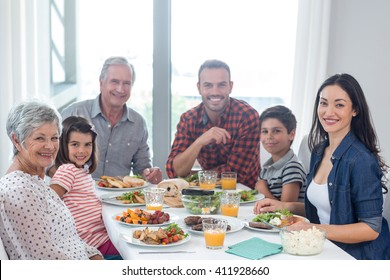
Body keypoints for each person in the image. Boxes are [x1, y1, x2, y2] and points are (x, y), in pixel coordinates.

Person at [254, 73, 390, 260]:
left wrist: (314, 228)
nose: (328, 112)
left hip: (355, 257)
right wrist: (282, 206)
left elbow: (371, 228)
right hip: (323, 248)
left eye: (339, 105)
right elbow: (325, 207)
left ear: (355, 110)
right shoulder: (319, 150)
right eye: (324, 103)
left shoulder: (360, 160)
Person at [0, 101, 103, 260]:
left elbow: (70, 238)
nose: (50, 146)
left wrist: (95, 255)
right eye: (40, 138)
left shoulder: (34, 181)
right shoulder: (19, 191)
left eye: (54, 138)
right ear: (16, 140)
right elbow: (48, 259)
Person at [59, 56, 162, 184]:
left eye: (126, 83)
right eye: (115, 82)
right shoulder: (74, 113)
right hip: (77, 195)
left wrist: (149, 173)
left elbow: (142, 169)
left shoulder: (138, 123)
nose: (120, 89)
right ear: (101, 83)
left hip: (118, 199)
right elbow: (53, 163)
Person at [166, 59, 260, 188]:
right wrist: (199, 141)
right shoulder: (188, 119)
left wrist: (196, 177)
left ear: (230, 87)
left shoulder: (247, 116)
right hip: (205, 195)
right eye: (208, 85)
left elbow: (235, 174)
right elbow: (175, 172)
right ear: (199, 88)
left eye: (221, 85)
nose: (215, 92)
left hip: (245, 197)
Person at [50, 116, 120, 258]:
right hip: (91, 243)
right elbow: (49, 203)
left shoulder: (82, 171)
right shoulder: (67, 170)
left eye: (87, 144)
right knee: (131, 252)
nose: (82, 150)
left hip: (98, 237)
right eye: (75, 144)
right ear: (64, 145)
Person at [255, 105, 306, 202]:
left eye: (276, 131)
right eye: (265, 131)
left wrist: (263, 191)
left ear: (291, 135)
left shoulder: (292, 168)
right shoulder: (267, 168)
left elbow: (287, 211)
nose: (269, 136)